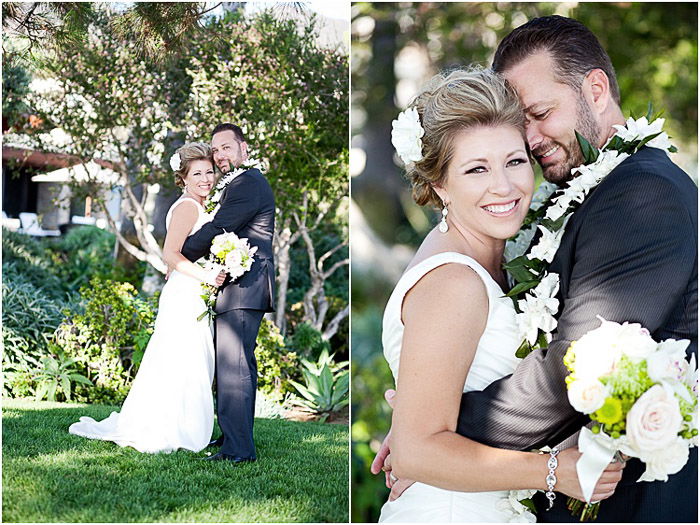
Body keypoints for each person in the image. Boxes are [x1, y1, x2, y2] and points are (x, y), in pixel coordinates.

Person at [374, 16, 698, 523]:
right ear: (439, 184)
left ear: (595, 90)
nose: (530, 139)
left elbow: (572, 365)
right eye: (477, 167)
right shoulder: (470, 264)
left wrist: (433, 428)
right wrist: (425, 431)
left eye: (540, 113)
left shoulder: (642, 193)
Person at [375, 67, 624, 523]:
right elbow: (415, 452)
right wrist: (553, 472)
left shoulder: (499, 257)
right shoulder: (455, 281)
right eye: (476, 169)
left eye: (513, 161)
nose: (504, 187)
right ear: (439, 185)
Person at [69, 142, 226, 453]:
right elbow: (170, 254)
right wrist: (208, 275)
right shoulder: (187, 207)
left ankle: (183, 426)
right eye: (197, 173)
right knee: (181, 361)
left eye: (210, 171)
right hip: (186, 294)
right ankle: (171, 429)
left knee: (189, 361)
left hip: (191, 292)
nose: (206, 178)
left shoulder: (198, 206)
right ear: (183, 178)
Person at [181, 123, 276, 464]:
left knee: (234, 367)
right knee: (232, 367)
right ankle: (232, 439)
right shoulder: (239, 183)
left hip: (244, 287)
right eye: (216, 149)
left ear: (243, 148)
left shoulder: (248, 183)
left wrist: (179, 253)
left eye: (226, 148)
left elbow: (219, 227)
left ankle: (238, 451)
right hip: (235, 286)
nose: (220, 155)